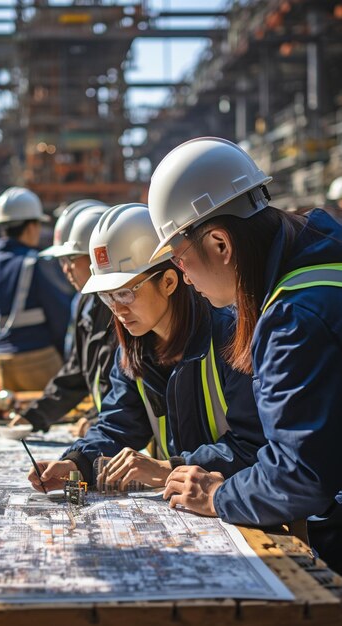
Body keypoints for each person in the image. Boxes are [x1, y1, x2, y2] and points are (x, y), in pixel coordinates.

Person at [147, 136, 342, 574]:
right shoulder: (322, 258)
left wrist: (218, 496)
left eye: (179, 258)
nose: (181, 275)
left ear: (219, 243)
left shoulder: (293, 317)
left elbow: (301, 473)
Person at [28, 202, 265, 493]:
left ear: (168, 281)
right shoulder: (132, 354)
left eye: (125, 294)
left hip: (241, 503)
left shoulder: (230, 337)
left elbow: (254, 445)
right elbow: (119, 423)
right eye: (107, 297)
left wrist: (168, 468)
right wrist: (77, 462)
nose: (117, 310)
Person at [10, 201, 116, 434]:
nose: (65, 269)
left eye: (70, 259)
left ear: (98, 255)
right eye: (61, 261)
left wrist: (100, 421)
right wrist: (34, 416)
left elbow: (132, 387)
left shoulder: (123, 308)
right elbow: (75, 375)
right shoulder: (85, 303)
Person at [0, 186, 72, 392]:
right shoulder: (34, 263)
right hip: (39, 359)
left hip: (0, 362)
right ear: (30, 227)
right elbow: (60, 314)